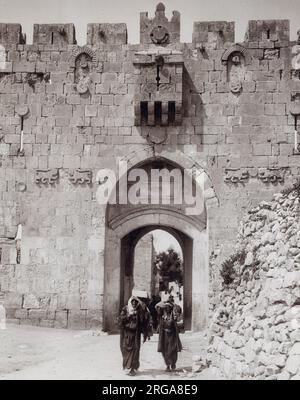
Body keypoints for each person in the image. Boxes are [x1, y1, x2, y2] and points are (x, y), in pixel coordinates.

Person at [118, 296, 151, 376]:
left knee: (135, 351)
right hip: (127, 334)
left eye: (135, 302)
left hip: (136, 335)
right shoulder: (126, 309)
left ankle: (132, 368)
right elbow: (120, 319)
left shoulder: (139, 311)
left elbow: (144, 321)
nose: (134, 304)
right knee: (126, 350)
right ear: (130, 302)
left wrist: (146, 333)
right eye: (132, 302)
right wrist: (128, 316)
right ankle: (127, 367)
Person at [156, 300, 183, 372]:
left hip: (172, 335)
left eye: (168, 307)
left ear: (171, 308)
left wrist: (172, 303)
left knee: (172, 350)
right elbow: (157, 306)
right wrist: (165, 301)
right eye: (166, 307)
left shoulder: (174, 315)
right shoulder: (162, 315)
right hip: (164, 336)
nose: (167, 309)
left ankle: (173, 363)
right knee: (165, 351)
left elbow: (178, 310)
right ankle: (167, 365)